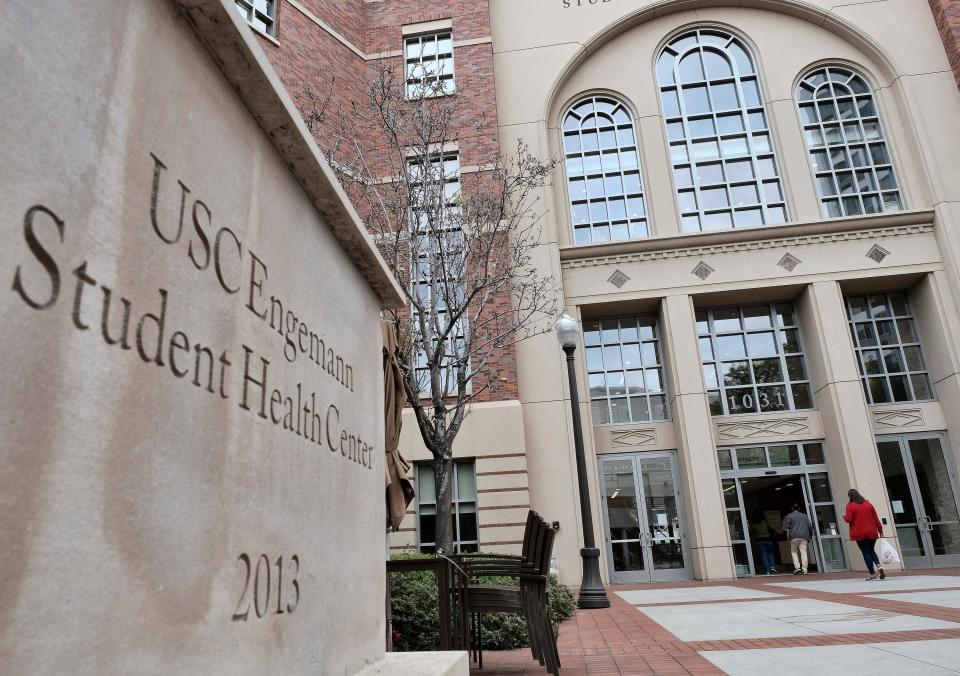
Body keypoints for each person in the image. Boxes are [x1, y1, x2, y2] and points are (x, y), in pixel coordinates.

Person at [843, 488, 886, 581]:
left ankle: (871, 573)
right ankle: (879, 566)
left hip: (859, 533)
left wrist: (844, 516)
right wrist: (881, 531)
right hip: (872, 531)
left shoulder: (850, 506)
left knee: (866, 552)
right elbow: (876, 519)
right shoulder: (868, 504)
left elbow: (848, 519)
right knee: (872, 551)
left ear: (850, 497)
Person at [783, 503, 814, 575]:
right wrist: (810, 535)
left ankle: (797, 568)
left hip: (794, 537)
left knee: (794, 552)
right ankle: (804, 569)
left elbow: (787, 526)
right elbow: (810, 527)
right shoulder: (804, 516)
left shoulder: (789, 516)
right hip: (804, 537)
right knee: (803, 552)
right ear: (799, 508)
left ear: (792, 508)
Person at [749, 510, 777, 575]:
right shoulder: (765, 522)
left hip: (759, 540)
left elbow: (751, 531)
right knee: (770, 554)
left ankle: (768, 570)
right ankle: (772, 568)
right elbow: (770, 529)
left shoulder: (753, 523)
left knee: (764, 555)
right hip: (768, 539)